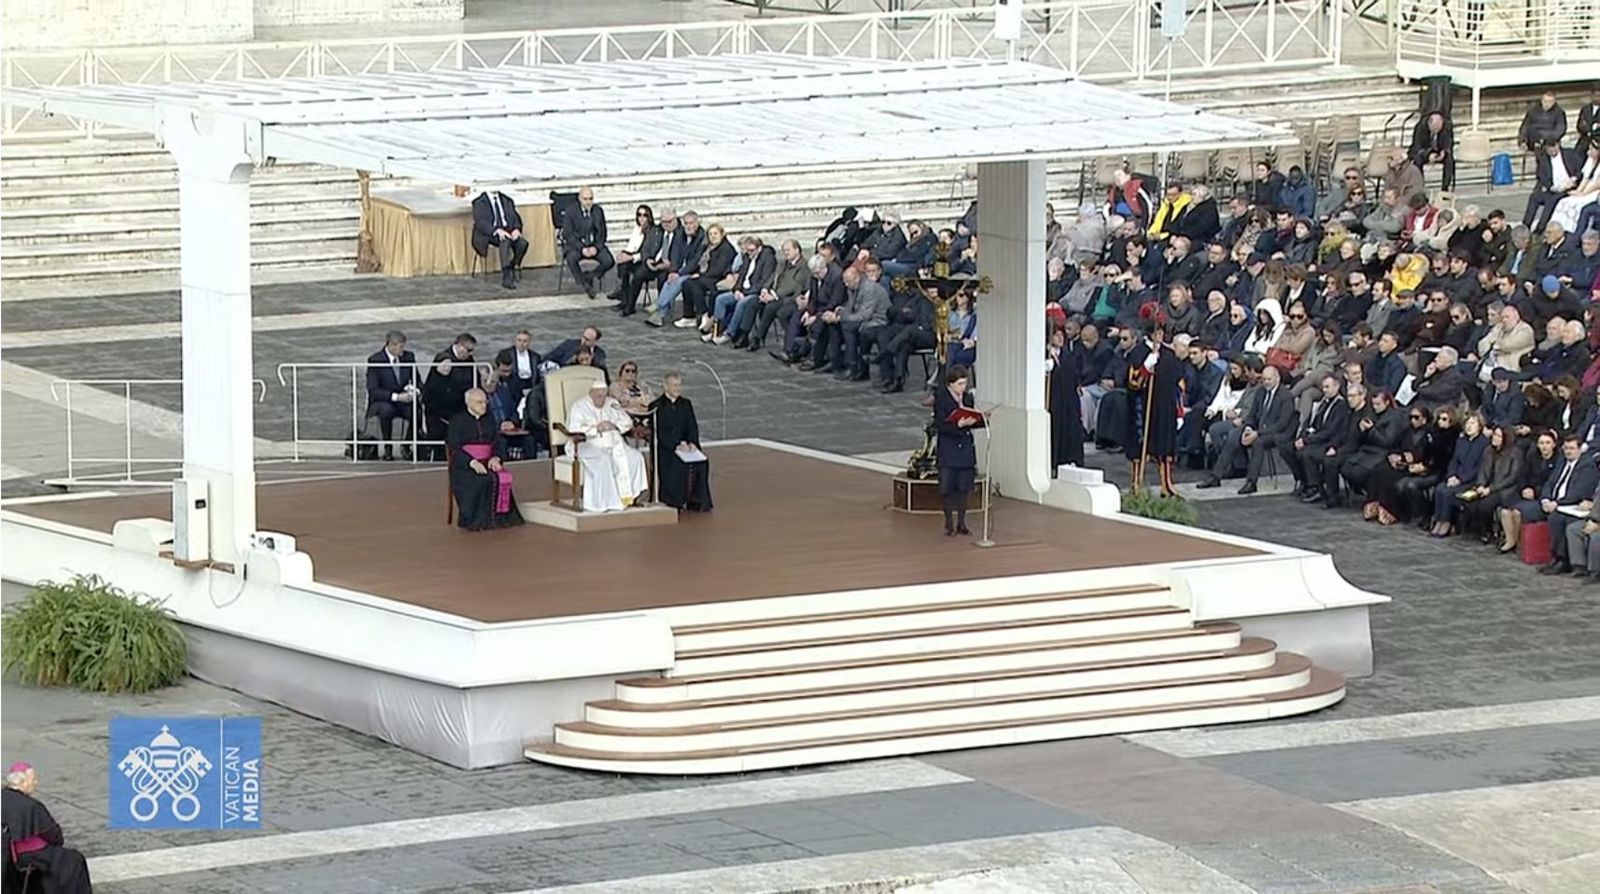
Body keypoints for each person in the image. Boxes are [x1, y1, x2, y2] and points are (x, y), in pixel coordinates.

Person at [2, 763, 92, 894]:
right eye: (33, 779)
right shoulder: (30, 805)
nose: (35, 783)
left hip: (6, 855)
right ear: (23, 782)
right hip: (27, 856)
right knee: (74, 859)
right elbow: (53, 835)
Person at [444, 388, 523, 531]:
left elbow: (497, 442)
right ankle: (477, 521)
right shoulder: (457, 421)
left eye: (485, 402)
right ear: (469, 403)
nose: (484, 405)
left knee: (501, 478)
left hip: (488, 461)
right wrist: (472, 462)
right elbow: (454, 448)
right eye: (479, 402)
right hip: (465, 466)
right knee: (482, 480)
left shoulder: (490, 419)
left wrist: (496, 457)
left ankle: (500, 520)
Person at [566, 379, 649, 512]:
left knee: (635, 457)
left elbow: (627, 422)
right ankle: (602, 503)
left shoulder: (612, 404)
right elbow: (573, 429)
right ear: (591, 393)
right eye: (599, 396)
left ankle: (629, 499)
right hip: (587, 444)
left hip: (614, 444)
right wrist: (596, 428)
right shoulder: (579, 406)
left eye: (604, 395)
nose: (602, 399)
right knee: (603, 461)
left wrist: (614, 425)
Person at [1126, 317, 1183, 495]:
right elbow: (1132, 382)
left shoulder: (1169, 355)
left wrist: (1179, 411)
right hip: (1143, 407)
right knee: (1140, 445)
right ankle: (1137, 484)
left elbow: (1179, 385)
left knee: (1165, 446)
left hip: (1165, 407)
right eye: (1156, 332)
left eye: (1161, 332)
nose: (1159, 335)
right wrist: (1145, 367)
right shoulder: (1137, 353)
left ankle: (1166, 485)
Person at [650, 371, 712, 512]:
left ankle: (696, 500)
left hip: (686, 445)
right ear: (665, 386)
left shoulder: (686, 404)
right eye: (674, 385)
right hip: (668, 448)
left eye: (679, 385)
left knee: (701, 463)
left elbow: (692, 426)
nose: (677, 388)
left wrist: (692, 443)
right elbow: (659, 431)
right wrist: (676, 445)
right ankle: (676, 500)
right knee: (676, 464)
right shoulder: (656, 406)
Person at [934, 365, 984, 536]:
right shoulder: (942, 398)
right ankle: (949, 523)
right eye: (960, 384)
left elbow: (972, 417)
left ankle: (962, 522)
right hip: (949, 447)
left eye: (965, 383)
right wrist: (958, 424)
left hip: (965, 447)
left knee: (964, 487)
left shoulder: (968, 398)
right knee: (947, 487)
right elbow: (940, 424)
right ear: (951, 385)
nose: (963, 387)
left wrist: (980, 419)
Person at [1429, 411, 1490, 536]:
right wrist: (1451, 475)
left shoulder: (1484, 444)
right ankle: (1438, 520)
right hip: (1456, 477)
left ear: (1479, 426)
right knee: (1440, 489)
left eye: (1473, 423)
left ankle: (1446, 522)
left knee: (1447, 493)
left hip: (1471, 480)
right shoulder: (1461, 441)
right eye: (1467, 423)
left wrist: (1461, 479)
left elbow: (1479, 467)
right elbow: (1454, 461)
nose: (1469, 426)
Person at [365, 330, 418, 461]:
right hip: (383, 400)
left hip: (403, 400)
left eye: (403, 346)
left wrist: (415, 390)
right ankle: (387, 448)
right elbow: (373, 390)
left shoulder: (409, 357)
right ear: (391, 345)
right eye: (400, 347)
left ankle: (406, 445)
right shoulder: (375, 360)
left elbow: (417, 379)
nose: (402, 350)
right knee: (386, 411)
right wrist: (396, 396)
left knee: (416, 411)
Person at [561, 185, 613, 299]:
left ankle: (590, 276)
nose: (588, 202)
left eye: (591, 198)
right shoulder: (571, 211)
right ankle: (585, 284)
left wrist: (596, 247)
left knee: (609, 261)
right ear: (579, 199)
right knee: (571, 258)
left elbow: (603, 233)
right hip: (578, 246)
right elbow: (568, 234)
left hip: (594, 245)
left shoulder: (598, 211)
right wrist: (582, 248)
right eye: (585, 199)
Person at [471, 189, 529, 290]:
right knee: (505, 241)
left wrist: (516, 229)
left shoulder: (507, 200)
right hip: (490, 233)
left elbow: (516, 218)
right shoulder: (479, 202)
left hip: (508, 230)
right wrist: (496, 230)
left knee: (522, 244)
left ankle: (511, 266)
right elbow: (480, 223)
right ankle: (507, 277)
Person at [1047, 324, 1085, 472]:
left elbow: (1075, 374)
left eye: (1062, 335)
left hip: (1068, 399)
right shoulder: (1044, 355)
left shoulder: (1068, 355)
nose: (1060, 338)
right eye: (1056, 335)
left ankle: (1070, 459)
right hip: (1054, 399)